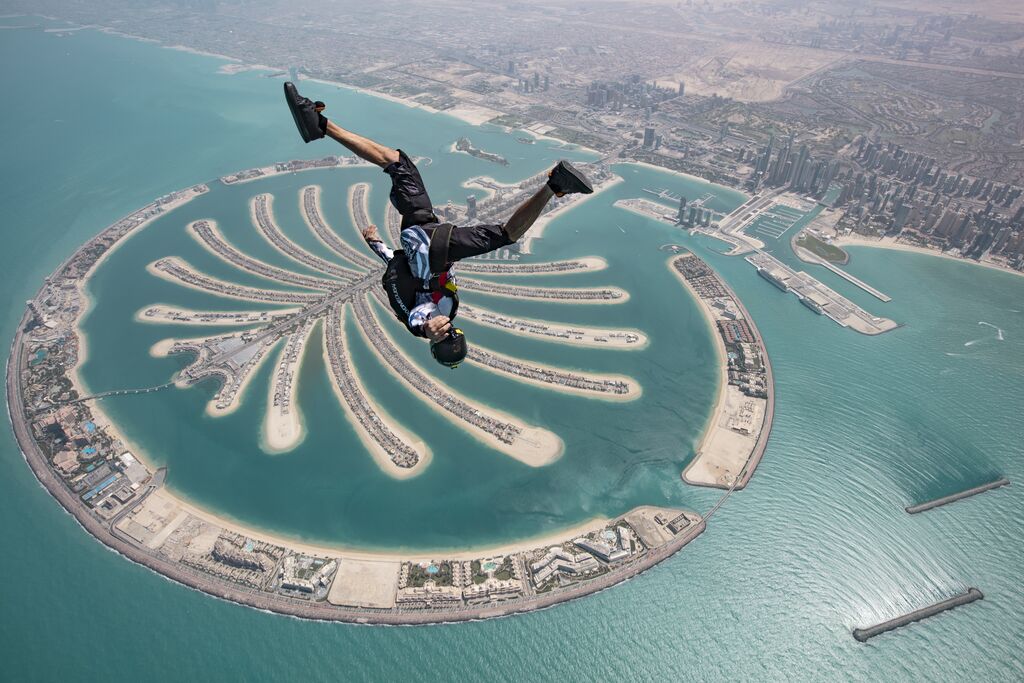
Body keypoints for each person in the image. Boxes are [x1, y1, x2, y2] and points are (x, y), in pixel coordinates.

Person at [284, 82, 593, 368]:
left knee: (505, 235)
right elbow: (395, 264)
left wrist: (430, 330)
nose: (449, 332)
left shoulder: (427, 320)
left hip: (433, 247)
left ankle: (556, 185)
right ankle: (320, 126)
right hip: (426, 238)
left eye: (449, 336)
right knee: (397, 164)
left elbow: (420, 320)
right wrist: (374, 243)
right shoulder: (442, 312)